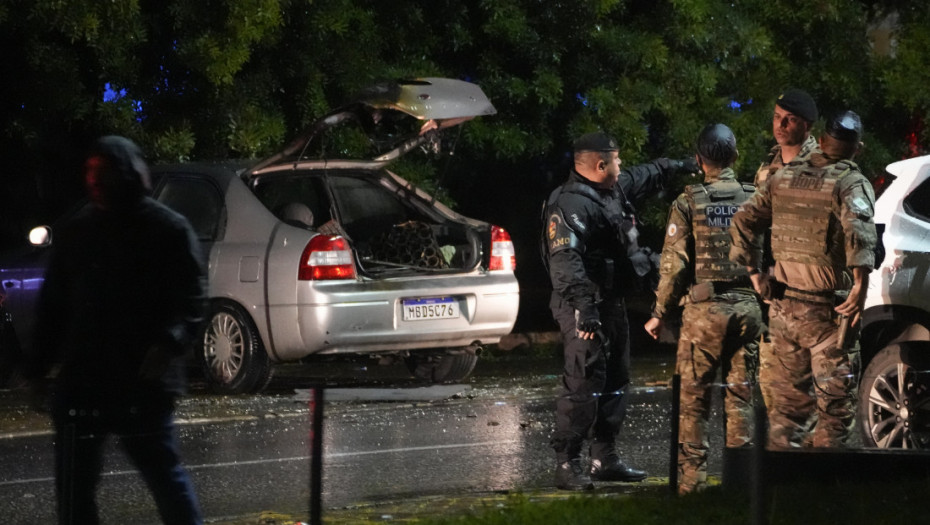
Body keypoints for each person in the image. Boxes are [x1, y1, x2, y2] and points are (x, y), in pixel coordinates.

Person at [24, 136, 207, 524]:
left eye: (104, 175)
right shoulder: (79, 233)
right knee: (76, 492)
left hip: (140, 380)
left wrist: (168, 343)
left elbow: (191, 302)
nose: (96, 184)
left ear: (126, 177)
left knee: (164, 478)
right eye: (92, 175)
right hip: (88, 379)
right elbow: (54, 308)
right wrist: (37, 371)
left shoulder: (167, 230)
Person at [542, 131, 698, 490]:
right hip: (582, 304)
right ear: (601, 164)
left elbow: (644, 175)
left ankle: (604, 457)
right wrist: (584, 308)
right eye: (616, 159)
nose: (621, 164)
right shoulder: (570, 205)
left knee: (616, 377)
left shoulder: (611, 190)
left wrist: (679, 166)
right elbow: (565, 263)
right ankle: (567, 463)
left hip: (610, 301)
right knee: (583, 381)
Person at [730, 111, 877, 448]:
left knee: (786, 417)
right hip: (828, 315)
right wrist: (860, 284)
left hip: (783, 311)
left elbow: (743, 220)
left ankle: (784, 494)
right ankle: (821, 493)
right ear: (858, 149)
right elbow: (859, 230)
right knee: (834, 415)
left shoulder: (784, 177)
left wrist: (754, 274)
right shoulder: (850, 182)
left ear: (822, 141)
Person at [644, 123, 763, 494]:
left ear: (699, 161)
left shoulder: (689, 202)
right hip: (749, 309)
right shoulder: (755, 196)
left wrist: (659, 312)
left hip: (705, 314)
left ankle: (691, 488)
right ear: (735, 156)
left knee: (693, 401)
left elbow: (674, 264)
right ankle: (741, 486)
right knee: (741, 397)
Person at [754, 88, 820, 186]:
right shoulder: (770, 159)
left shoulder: (820, 163)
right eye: (777, 116)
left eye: (791, 119)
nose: (781, 124)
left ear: (808, 125)